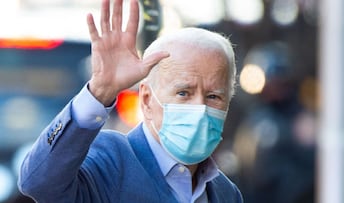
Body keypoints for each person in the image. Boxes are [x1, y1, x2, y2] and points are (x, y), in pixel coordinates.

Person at [17, 0, 243, 202]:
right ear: (146, 100)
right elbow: (38, 184)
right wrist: (99, 91)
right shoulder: (110, 160)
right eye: (183, 93)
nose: (200, 109)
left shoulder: (226, 192)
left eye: (214, 96)